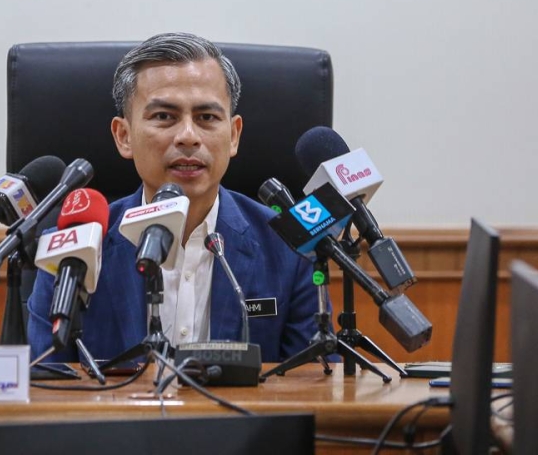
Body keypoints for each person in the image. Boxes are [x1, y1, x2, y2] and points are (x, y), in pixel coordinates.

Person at [26, 32, 323, 362]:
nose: (188, 137)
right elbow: (46, 380)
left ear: (234, 135)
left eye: (206, 117)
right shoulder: (71, 251)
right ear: (124, 136)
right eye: (164, 117)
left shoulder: (289, 248)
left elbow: (314, 382)